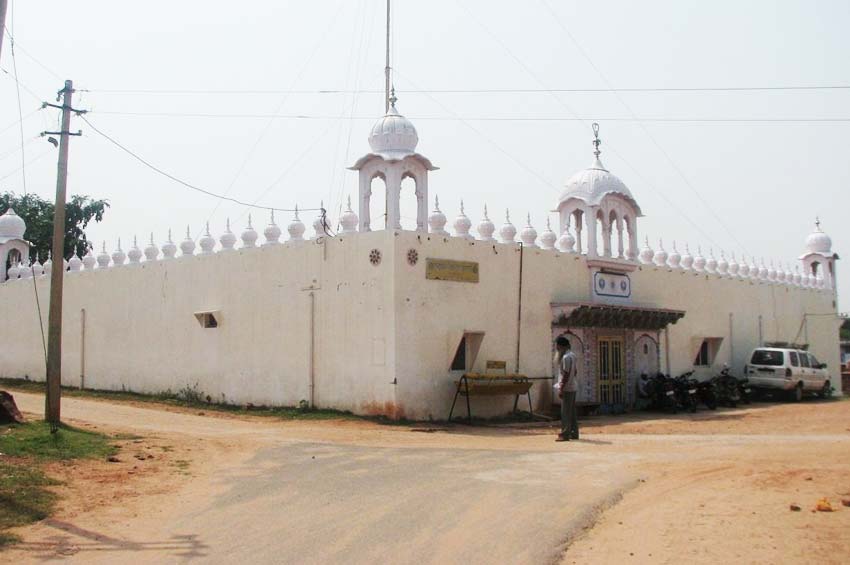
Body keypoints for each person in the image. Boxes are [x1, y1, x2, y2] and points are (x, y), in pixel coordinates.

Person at [554, 336, 579, 442]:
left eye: (557, 347)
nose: (557, 349)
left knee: (565, 412)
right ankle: (574, 433)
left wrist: (561, 388)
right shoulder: (572, 355)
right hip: (573, 386)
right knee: (572, 411)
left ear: (561, 346)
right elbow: (575, 371)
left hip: (567, 388)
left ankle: (565, 434)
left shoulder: (565, 357)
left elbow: (566, 374)